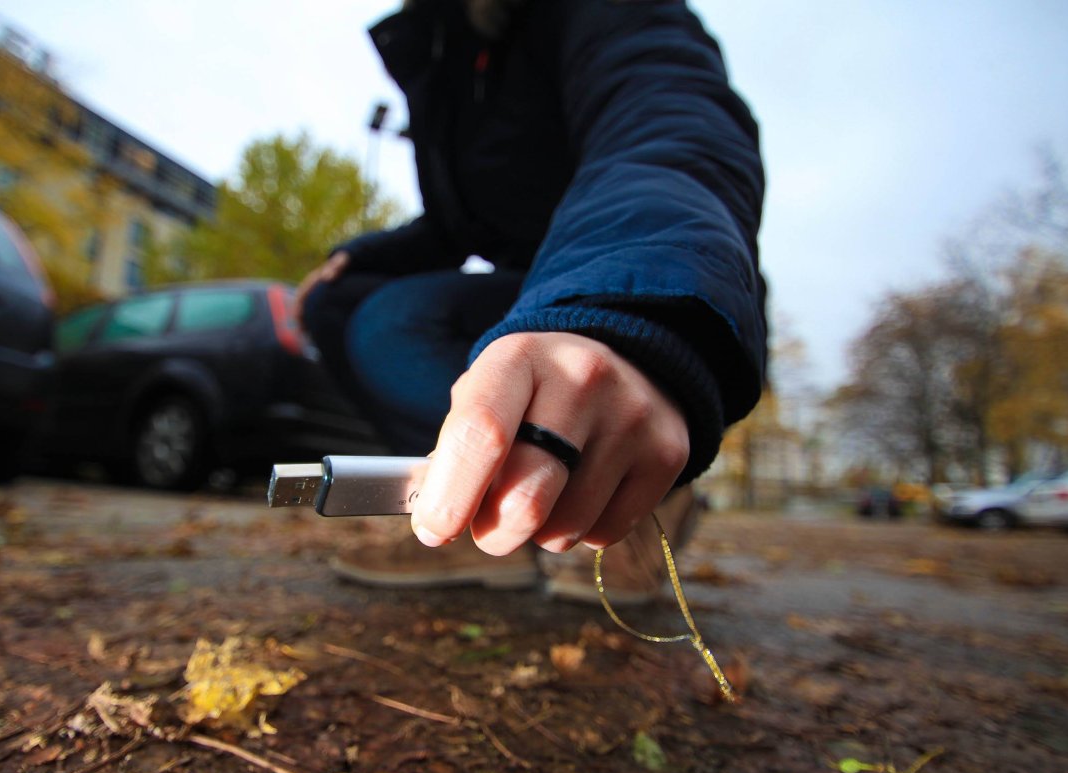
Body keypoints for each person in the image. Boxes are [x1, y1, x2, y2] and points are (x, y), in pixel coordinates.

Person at [298, 0, 766, 601]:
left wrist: (619, 315)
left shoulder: (606, 15)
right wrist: (358, 256)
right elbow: (454, 225)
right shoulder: (445, 51)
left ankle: (645, 491)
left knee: (398, 322)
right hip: (522, 285)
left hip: (634, 266)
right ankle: (484, 513)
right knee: (346, 305)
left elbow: (669, 133)